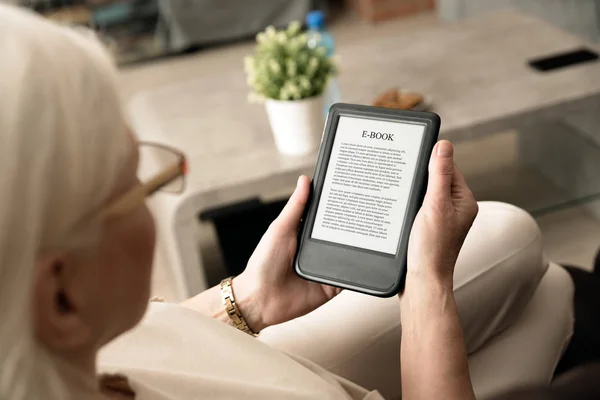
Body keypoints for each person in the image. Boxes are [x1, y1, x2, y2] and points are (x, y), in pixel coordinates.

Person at [0, 5, 573, 400]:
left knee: (516, 238)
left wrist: (247, 299)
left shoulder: (52, 346)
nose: (153, 190)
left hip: (230, 362)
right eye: (136, 185)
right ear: (61, 299)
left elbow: (141, 339)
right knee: (550, 292)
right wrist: (427, 291)